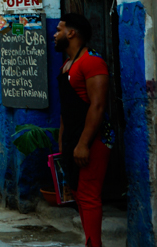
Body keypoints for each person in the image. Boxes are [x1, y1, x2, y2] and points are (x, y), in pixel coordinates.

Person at [54, 14, 113, 247]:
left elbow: (97, 106)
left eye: (59, 30)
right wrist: (63, 140)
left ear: (71, 33)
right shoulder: (68, 64)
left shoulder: (92, 62)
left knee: (88, 196)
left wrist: (83, 143)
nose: (55, 34)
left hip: (93, 140)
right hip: (73, 139)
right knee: (79, 195)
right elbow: (66, 108)